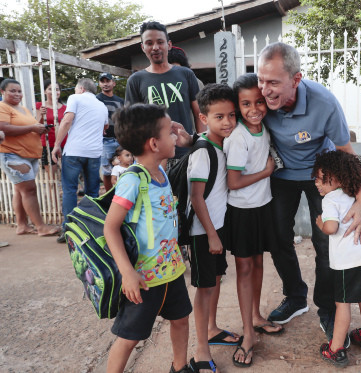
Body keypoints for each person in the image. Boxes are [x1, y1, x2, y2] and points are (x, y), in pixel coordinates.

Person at [256, 42, 361, 343]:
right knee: (277, 236)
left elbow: (346, 153)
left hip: (323, 176)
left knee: (327, 242)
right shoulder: (258, 100)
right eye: (261, 80)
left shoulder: (324, 103)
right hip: (281, 175)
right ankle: (295, 297)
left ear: (296, 79)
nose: (265, 90)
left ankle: (328, 309)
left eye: (273, 83)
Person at [104, 104, 191, 373]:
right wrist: (127, 273)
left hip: (171, 270)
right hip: (143, 278)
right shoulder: (133, 180)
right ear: (154, 143)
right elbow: (111, 228)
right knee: (130, 337)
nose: (175, 136)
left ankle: (180, 366)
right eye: (169, 132)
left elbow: (177, 146)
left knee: (180, 319)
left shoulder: (161, 171)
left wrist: (181, 134)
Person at [222, 73, 281, 367]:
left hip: (262, 206)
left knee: (258, 263)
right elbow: (233, 182)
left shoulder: (263, 129)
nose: (254, 109)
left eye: (259, 102)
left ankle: (256, 317)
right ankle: (248, 334)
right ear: (238, 106)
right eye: (246, 104)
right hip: (242, 211)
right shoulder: (238, 138)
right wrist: (265, 173)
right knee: (244, 269)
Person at [187, 84, 239, 373]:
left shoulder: (221, 144)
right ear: (204, 118)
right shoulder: (203, 150)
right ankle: (200, 350)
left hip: (215, 228)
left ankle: (211, 328)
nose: (228, 121)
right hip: (203, 232)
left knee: (216, 280)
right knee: (205, 288)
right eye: (219, 116)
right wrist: (211, 234)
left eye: (231, 115)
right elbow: (196, 196)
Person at [312, 150, 361, 368]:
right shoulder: (353, 196)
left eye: (322, 179)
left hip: (346, 261)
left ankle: (336, 349)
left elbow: (332, 227)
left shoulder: (330, 200)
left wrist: (321, 225)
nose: (317, 183)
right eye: (316, 178)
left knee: (342, 304)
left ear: (337, 178)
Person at [125, 21, 204, 164]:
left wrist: (201, 146)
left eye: (160, 42)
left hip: (186, 154)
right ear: (143, 47)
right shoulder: (135, 80)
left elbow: (200, 114)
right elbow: (132, 123)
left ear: (169, 44)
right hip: (152, 157)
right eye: (149, 43)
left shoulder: (186, 74)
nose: (155, 47)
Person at [0, 78, 60, 237]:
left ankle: (22, 225)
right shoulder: (2, 107)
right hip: (13, 155)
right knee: (29, 190)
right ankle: (40, 227)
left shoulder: (22, 109)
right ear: (2, 92)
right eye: (12, 91)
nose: (17, 94)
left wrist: (38, 127)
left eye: (19, 91)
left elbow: (29, 127)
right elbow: (4, 128)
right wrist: (33, 127)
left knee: (20, 191)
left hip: (27, 155)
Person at [52, 78, 108, 243]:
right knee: (92, 192)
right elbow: (105, 128)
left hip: (74, 151)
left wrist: (56, 145)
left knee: (70, 190)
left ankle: (69, 229)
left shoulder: (75, 98)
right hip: (94, 153)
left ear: (81, 89)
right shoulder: (102, 105)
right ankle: (90, 228)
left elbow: (67, 120)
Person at [97, 72, 124, 192]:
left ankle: (122, 194)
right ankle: (109, 198)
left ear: (113, 83)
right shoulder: (96, 99)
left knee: (123, 167)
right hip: (104, 140)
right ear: (99, 84)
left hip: (120, 139)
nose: (105, 84)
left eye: (107, 81)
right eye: (102, 81)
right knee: (107, 172)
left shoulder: (121, 101)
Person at [35, 79, 67, 171]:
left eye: (57, 89)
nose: (54, 92)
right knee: (51, 178)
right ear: (44, 91)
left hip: (64, 144)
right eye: (50, 89)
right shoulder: (40, 106)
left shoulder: (66, 108)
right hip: (47, 145)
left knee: (66, 176)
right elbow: (36, 125)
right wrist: (41, 114)